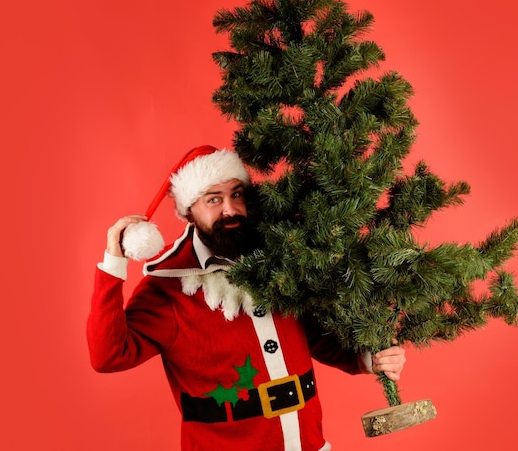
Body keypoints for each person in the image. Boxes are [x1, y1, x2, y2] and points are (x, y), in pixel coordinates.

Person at [87, 145, 406, 451]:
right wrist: (113, 264)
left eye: (236, 194)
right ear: (189, 212)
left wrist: (367, 359)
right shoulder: (169, 288)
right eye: (213, 199)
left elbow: (311, 334)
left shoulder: (279, 258)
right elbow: (109, 356)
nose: (231, 209)